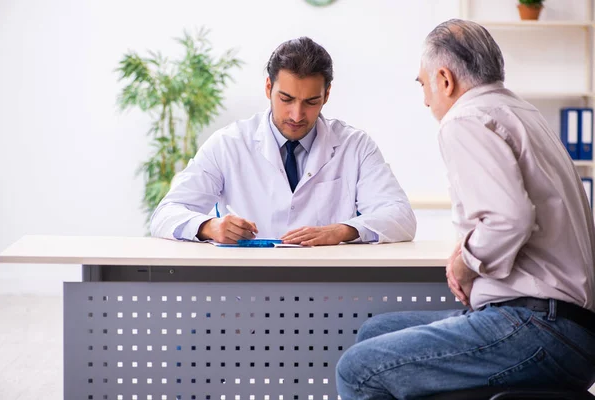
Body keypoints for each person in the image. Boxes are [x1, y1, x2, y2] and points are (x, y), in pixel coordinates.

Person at [336, 19, 595, 399]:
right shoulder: (523, 113)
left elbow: (510, 219)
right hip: (573, 330)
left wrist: (465, 263)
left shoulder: (465, 119)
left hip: (540, 328)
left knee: (358, 369)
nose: (425, 99)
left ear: (444, 79)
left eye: (422, 84)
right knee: (377, 334)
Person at [150, 37, 416, 245]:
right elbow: (165, 214)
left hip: (330, 288)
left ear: (326, 95)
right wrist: (209, 227)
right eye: (286, 99)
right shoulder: (228, 144)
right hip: (245, 288)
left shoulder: (355, 146)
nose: (297, 115)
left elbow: (400, 217)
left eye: (311, 102)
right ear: (268, 88)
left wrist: (341, 231)